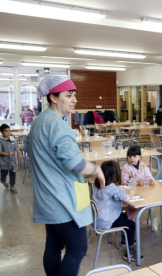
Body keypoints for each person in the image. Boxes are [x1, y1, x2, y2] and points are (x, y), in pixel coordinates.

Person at [24, 75, 105, 276]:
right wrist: (96, 169)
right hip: (63, 200)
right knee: (78, 249)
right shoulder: (59, 126)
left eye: (74, 95)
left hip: (47, 198)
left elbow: (28, 146)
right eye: (69, 95)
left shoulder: (39, 121)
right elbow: (74, 163)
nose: (74, 100)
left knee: (53, 246)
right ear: (53, 97)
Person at [92, 160, 143, 261]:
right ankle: (130, 251)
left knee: (123, 216)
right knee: (131, 225)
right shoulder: (112, 187)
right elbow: (127, 199)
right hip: (106, 222)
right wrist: (132, 192)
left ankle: (125, 239)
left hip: (98, 220)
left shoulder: (98, 187)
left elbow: (112, 201)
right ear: (115, 174)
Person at [121, 145, 155, 221]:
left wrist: (150, 180)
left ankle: (129, 222)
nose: (132, 158)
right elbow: (124, 180)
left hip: (142, 191)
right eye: (129, 156)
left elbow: (147, 175)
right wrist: (136, 181)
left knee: (148, 199)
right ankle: (129, 223)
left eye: (134, 156)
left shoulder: (143, 165)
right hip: (129, 192)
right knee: (131, 208)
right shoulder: (126, 167)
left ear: (139, 156)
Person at [0, 124, 23, 193]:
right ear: (1, 132)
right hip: (4, 161)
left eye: (9, 131)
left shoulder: (12, 139)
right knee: (3, 174)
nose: (8, 133)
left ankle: (12, 186)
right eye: (6, 131)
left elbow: (16, 147)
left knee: (13, 173)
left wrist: (20, 154)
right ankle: (3, 181)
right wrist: (7, 154)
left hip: (12, 161)